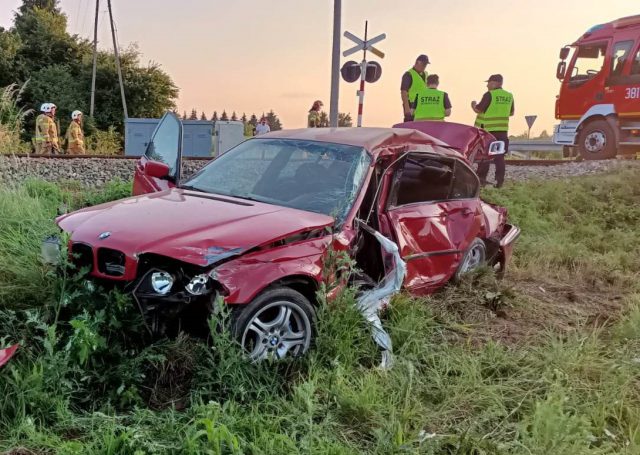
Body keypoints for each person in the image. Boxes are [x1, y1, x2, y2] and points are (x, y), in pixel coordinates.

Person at [472, 74, 514, 188]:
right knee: (499, 157)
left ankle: (481, 180)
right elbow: (511, 113)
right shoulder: (509, 96)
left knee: (485, 156)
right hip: (503, 131)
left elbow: (478, 109)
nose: (487, 85)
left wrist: (473, 105)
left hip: (489, 131)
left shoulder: (489, 95)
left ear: (495, 83)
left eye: (489, 82)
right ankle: (499, 181)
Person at [400, 54, 429, 122]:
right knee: (410, 126)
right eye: (423, 64)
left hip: (423, 105)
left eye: (426, 64)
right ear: (417, 62)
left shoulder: (426, 74)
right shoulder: (408, 75)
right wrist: (407, 108)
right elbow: (403, 92)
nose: (425, 66)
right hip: (411, 105)